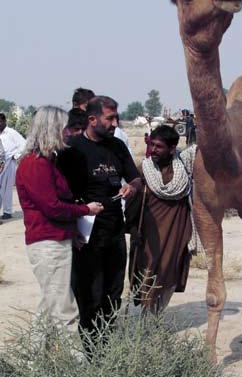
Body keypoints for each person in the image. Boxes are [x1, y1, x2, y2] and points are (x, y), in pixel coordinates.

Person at [15, 106, 103, 336]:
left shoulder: (46, 161)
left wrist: (72, 232)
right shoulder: (35, 164)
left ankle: (31, 363)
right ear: (52, 129)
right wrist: (86, 209)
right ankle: (76, 367)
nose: (68, 133)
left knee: (48, 307)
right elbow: (52, 207)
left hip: (55, 240)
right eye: (64, 128)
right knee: (65, 311)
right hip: (47, 243)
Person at [60, 96, 140, 345]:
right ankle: (88, 346)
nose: (116, 122)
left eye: (116, 117)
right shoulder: (72, 149)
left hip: (115, 230)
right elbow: (61, 195)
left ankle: (106, 344)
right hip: (86, 234)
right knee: (88, 292)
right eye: (110, 118)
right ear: (92, 119)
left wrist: (132, 188)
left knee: (113, 292)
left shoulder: (117, 146)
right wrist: (72, 229)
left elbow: (135, 178)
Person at [125, 125, 194, 310]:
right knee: (147, 272)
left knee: (169, 273)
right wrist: (132, 229)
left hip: (175, 232)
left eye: (159, 146)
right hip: (149, 234)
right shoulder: (144, 169)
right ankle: (148, 317)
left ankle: (156, 316)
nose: (153, 150)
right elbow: (133, 203)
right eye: (152, 145)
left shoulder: (184, 170)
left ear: (172, 149)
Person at [0, 112, 26, 220]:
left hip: (9, 162)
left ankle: (7, 211)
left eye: (0, 122)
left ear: (4, 121)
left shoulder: (11, 133)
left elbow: (24, 144)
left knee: (7, 188)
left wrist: (16, 155)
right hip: (0, 161)